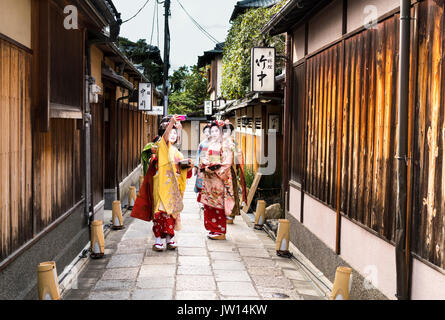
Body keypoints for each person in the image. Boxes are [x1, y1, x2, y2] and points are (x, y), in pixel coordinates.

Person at [131, 115, 193, 251]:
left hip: (173, 185)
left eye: (175, 133)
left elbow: (184, 172)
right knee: (159, 212)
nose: (172, 135)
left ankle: (170, 239)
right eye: (170, 133)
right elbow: (165, 139)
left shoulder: (177, 152)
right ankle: (158, 239)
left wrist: (187, 166)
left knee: (171, 213)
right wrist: (171, 124)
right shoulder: (161, 146)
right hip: (161, 183)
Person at [198, 120, 235, 240]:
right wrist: (204, 164)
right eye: (212, 131)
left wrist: (213, 169)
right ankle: (213, 229)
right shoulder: (211, 144)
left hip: (218, 179)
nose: (213, 133)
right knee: (209, 205)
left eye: (216, 131)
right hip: (209, 180)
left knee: (218, 205)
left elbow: (227, 163)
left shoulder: (227, 144)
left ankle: (220, 231)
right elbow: (205, 158)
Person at [222, 120, 247, 225]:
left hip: (228, 170)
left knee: (230, 191)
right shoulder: (220, 141)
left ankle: (230, 214)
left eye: (227, 130)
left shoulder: (231, 142)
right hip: (220, 169)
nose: (225, 132)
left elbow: (237, 154)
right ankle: (223, 213)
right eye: (223, 130)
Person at [194, 123, 211, 196]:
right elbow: (198, 154)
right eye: (206, 131)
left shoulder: (216, 142)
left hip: (211, 165)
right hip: (202, 165)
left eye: (209, 131)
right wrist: (196, 165)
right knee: (202, 184)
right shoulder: (202, 144)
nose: (207, 133)